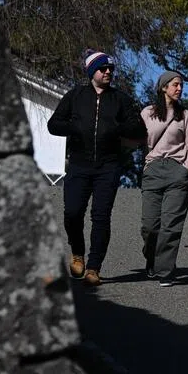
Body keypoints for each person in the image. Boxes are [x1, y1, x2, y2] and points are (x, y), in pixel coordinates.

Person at [47, 50, 146, 286]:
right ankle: (78, 254)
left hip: (108, 166)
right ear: (92, 72)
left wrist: (117, 128)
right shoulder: (76, 96)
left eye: (111, 69)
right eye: (103, 69)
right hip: (79, 164)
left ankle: (94, 268)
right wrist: (76, 128)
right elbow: (54, 124)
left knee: (101, 217)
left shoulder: (121, 100)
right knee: (72, 213)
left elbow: (138, 130)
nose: (108, 72)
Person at [139, 70, 188, 287]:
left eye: (181, 85)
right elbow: (140, 140)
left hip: (177, 171)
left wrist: (186, 169)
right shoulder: (148, 113)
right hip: (153, 170)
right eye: (175, 84)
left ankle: (165, 271)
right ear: (163, 87)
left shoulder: (185, 116)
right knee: (150, 225)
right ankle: (153, 260)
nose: (179, 88)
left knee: (171, 225)